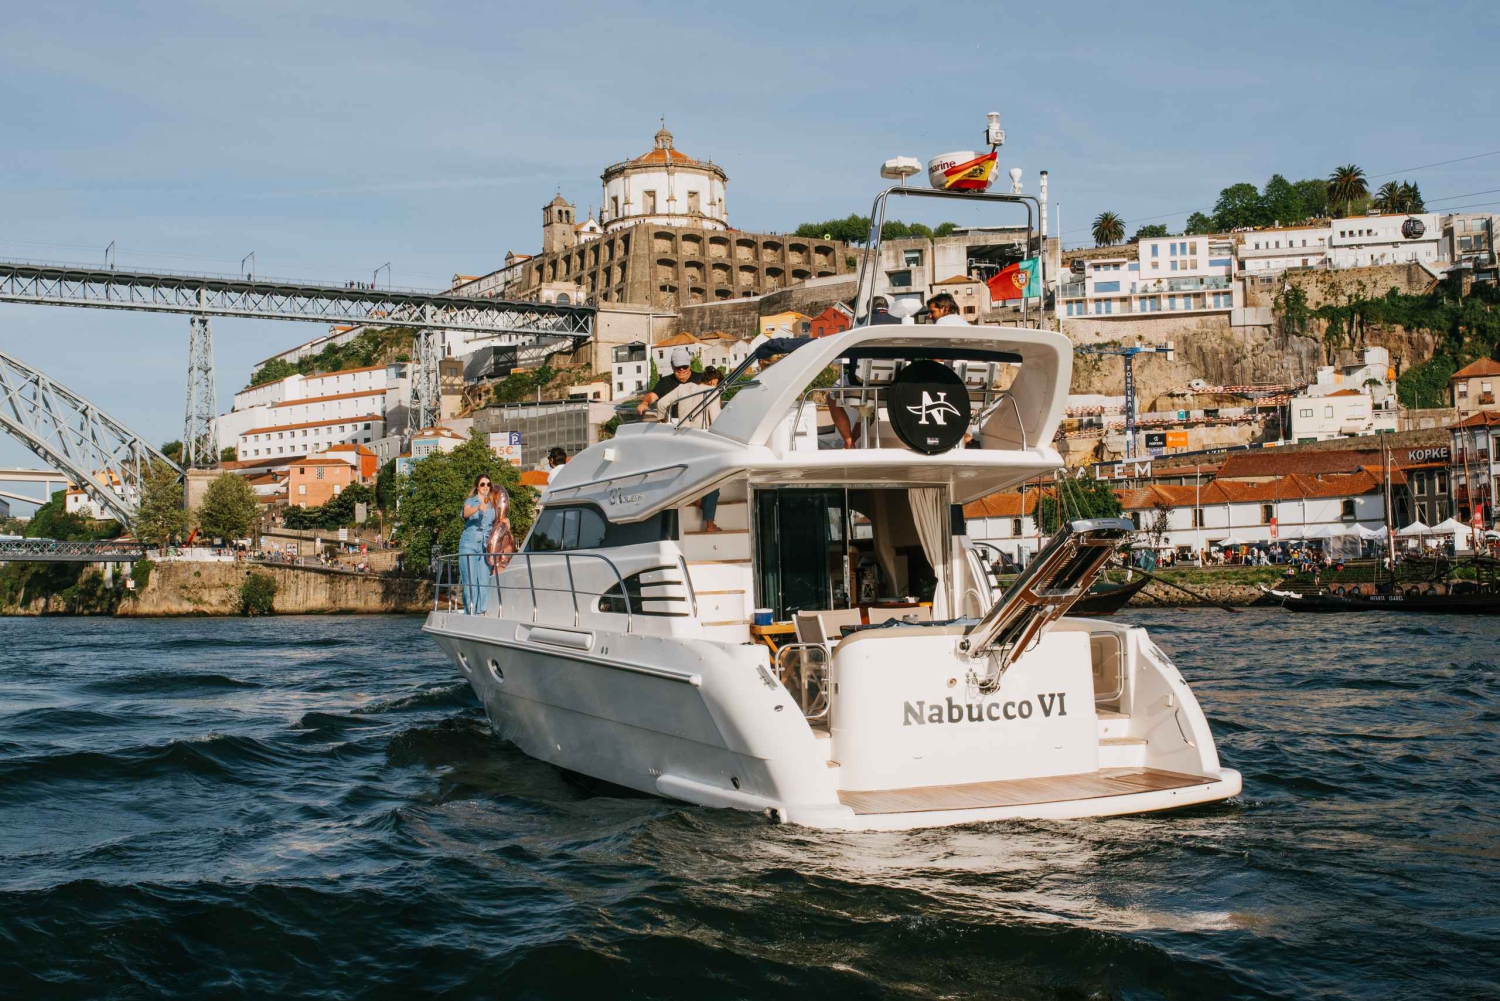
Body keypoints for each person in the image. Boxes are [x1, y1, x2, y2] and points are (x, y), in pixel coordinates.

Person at [655, 368, 725, 531]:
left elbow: (661, 404)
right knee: (713, 480)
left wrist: (661, 422)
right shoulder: (712, 392)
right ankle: (709, 523)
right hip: (701, 442)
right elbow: (715, 421)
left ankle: (696, 498)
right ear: (714, 381)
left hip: (682, 441)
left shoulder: (683, 388)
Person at [459, 473, 501, 614]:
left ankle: (482, 610)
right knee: (470, 580)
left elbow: (496, 522)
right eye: (482, 484)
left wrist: (505, 522)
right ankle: (470, 611)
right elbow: (465, 513)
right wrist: (478, 507)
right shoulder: (470, 501)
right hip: (469, 543)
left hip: (485, 545)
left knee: (483, 579)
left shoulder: (493, 504)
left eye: (488, 484)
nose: (486, 487)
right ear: (477, 487)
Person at [638, 346, 704, 419]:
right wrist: (644, 403)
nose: (681, 369)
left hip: (699, 422)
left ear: (689, 365)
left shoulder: (702, 378)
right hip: (673, 424)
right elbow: (651, 396)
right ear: (672, 365)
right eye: (678, 366)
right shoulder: (665, 382)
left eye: (684, 366)